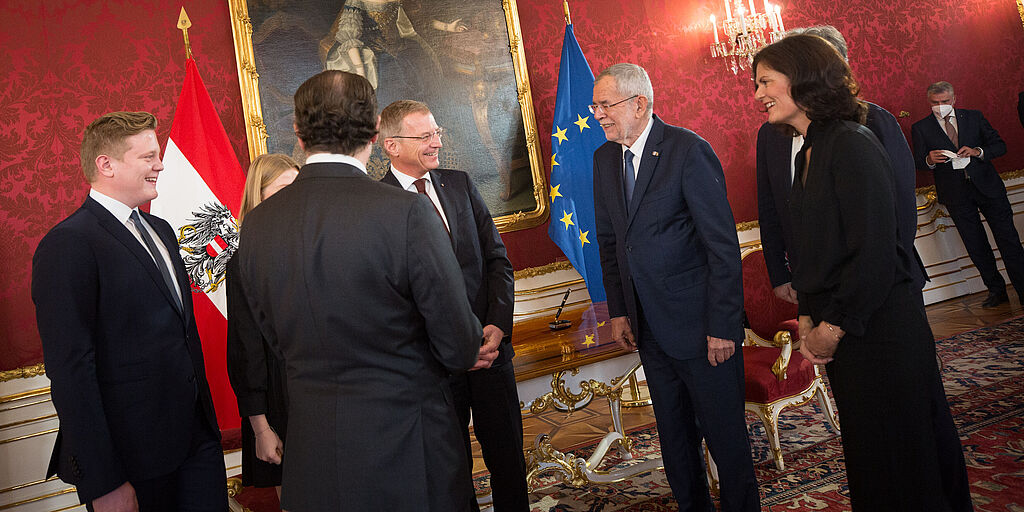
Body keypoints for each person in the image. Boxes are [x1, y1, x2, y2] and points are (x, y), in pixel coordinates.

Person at [233, 70, 482, 512]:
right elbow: (460, 345)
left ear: (297, 132)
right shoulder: (405, 212)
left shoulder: (256, 225)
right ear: (372, 131)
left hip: (313, 453)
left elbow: (272, 336)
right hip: (408, 449)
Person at [752, 35, 973, 510]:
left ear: (802, 79)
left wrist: (832, 327)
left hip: (881, 323)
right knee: (872, 448)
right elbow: (809, 245)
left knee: (905, 447)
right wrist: (810, 316)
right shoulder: (812, 149)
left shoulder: (852, 141)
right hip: (847, 322)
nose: (758, 94)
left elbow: (877, 248)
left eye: (766, 81)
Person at [32, 111, 226, 511]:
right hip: (132, 461)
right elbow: (71, 370)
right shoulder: (69, 244)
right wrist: (104, 483)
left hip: (198, 442)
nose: (160, 164)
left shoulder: (163, 232)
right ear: (106, 165)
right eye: (148, 157)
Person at [591, 63, 759, 511]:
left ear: (639, 104)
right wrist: (620, 311)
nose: (598, 115)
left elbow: (721, 245)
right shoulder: (604, 158)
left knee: (726, 440)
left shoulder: (687, 150)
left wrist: (722, 325)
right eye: (596, 106)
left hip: (704, 331)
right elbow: (610, 242)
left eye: (605, 105)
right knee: (675, 441)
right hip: (649, 330)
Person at [378, 100, 526, 511]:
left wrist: (497, 325)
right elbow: (391, 295)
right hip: (434, 367)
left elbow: (498, 260)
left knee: (509, 458)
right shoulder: (378, 203)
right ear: (391, 145)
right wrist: (451, 347)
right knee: (450, 470)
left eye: (437, 132)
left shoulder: (459, 184)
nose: (436, 142)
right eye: (424, 136)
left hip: (491, 351)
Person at [757, 25, 927, 308]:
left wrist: (884, 271)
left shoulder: (872, 122)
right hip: (813, 283)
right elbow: (770, 207)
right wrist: (781, 273)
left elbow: (900, 206)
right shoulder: (771, 133)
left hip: (882, 283)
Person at [225, 153, 299, 500]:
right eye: (283, 188)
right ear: (259, 196)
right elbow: (246, 345)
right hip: (279, 401)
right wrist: (260, 426)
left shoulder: (317, 244)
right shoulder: (245, 260)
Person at [912, 81, 1024, 308]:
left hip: (988, 188)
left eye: (944, 101)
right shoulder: (921, 128)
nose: (940, 106)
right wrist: (928, 160)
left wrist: (978, 151)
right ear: (928, 102)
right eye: (935, 103)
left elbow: (999, 146)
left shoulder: (973, 117)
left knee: (1009, 240)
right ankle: (996, 290)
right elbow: (917, 161)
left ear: (954, 99)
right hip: (956, 194)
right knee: (976, 245)